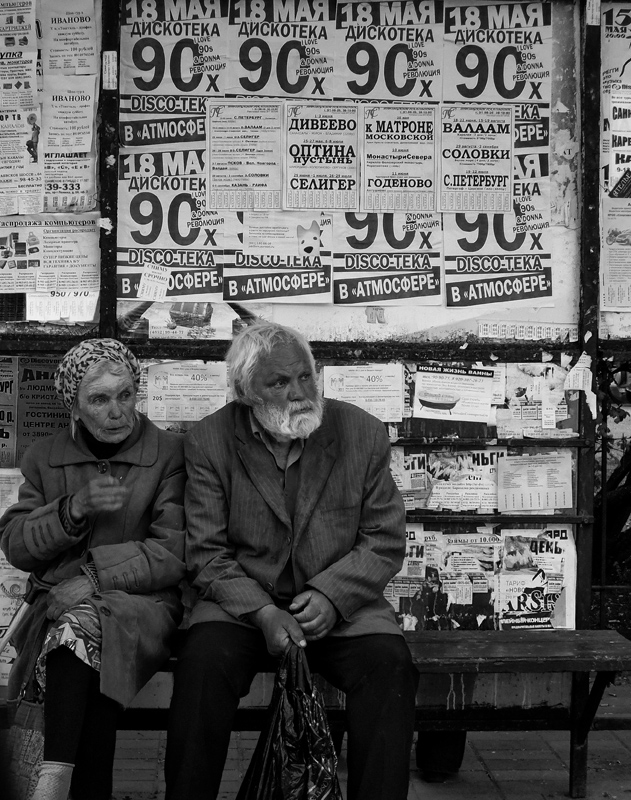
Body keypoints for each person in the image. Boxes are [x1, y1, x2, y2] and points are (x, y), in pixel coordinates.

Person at [165, 321, 419, 800]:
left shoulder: (360, 432)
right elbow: (206, 552)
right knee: (201, 667)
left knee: (390, 669)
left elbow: (383, 538)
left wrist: (331, 594)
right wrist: (262, 612)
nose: (299, 392)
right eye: (279, 383)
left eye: (304, 377)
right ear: (246, 391)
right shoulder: (210, 440)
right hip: (245, 610)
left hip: (341, 612)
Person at [0, 338, 186, 800]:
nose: (116, 410)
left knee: (80, 631)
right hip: (61, 609)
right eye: (99, 399)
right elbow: (17, 546)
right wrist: (73, 509)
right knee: (82, 646)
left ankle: (51, 781)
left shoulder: (168, 454)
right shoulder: (45, 457)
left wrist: (92, 580)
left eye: (125, 395)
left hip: (142, 606)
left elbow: (172, 552)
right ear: (75, 406)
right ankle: (78, 786)